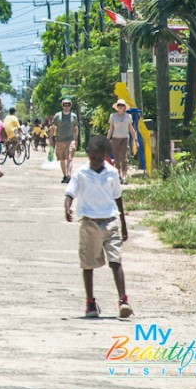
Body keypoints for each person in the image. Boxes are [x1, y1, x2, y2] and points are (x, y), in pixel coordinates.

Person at [64, 135, 131, 319]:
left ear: (106, 156)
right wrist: (67, 205)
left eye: (100, 159)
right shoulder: (81, 173)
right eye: (93, 157)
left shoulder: (112, 173)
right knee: (88, 264)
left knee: (116, 261)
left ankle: (123, 300)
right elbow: (71, 191)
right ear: (88, 154)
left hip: (111, 221)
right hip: (89, 223)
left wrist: (123, 224)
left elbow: (118, 198)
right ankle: (90, 302)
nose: (96, 162)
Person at [106, 99, 139, 184]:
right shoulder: (113, 116)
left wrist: (136, 140)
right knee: (116, 158)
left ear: (125, 107)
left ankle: (124, 176)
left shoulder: (128, 116)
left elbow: (131, 129)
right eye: (119, 105)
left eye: (122, 105)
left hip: (125, 138)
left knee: (124, 158)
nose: (120, 107)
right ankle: (118, 175)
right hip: (115, 138)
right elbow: (111, 129)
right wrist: (107, 139)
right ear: (117, 107)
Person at [51, 98, 80, 183]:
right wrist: (50, 138)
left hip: (70, 140)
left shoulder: (74, 116)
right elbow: (53, 127)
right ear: (62, 106)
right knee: (62, 159)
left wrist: (76, 139)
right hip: (59, 140)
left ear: (71, 106)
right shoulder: (57, 116)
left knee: (70, 158)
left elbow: (76, 128)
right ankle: (64, 176)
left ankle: (69, 175)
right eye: (65, 105)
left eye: (68, 105)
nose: (66, 107)